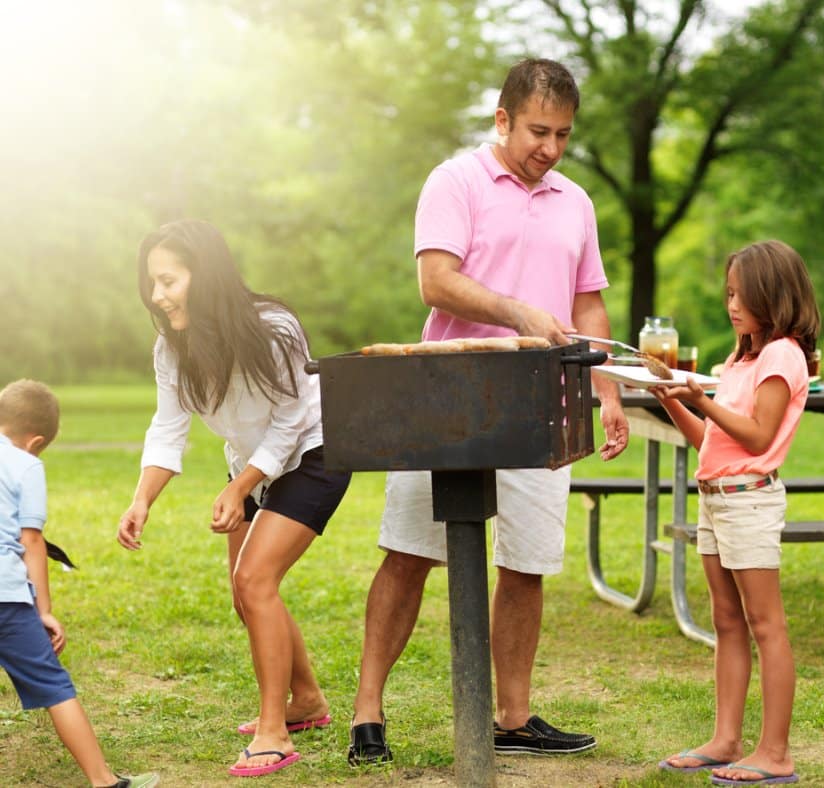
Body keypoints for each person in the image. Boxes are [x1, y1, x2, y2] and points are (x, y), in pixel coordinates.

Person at [348, 58, 629, 766]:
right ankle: (367, 714)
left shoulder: (576, 202)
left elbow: (588, 300)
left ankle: (512, 715)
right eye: (539, 131)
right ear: (502, 118)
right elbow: (435, 282)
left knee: (526, 562)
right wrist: (518, 313)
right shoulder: (456, 181)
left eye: (564, 135)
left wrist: (608, 390)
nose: (551, 148)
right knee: (411, 553)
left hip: (542, 404)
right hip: (448, 399)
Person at [116, 220, 351, 778]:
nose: (158, 295)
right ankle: (309, 702)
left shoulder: (274, 328)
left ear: (206, 274)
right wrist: (142, 498)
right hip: (249, 464)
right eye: (153, 283)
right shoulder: (172, 346)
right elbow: (168, 427)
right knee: (246, 593)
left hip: (314, 454)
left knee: (254, 581)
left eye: (168, 280)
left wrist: (241, 486)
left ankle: (274, 733)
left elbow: (292, 421)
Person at [653, 240, 819, 785]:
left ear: (774, 295)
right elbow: (712, 442)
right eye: (728, 293)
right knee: (726, 621)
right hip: (716, 499)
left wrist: (701, 397)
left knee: (765, 624)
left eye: (742, 295)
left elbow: (756, 437)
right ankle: (726, 740)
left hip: (750, 500)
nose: (732, 304)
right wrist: (673, 400)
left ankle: (776, 753)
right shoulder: (741, 358)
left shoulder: (783, 355)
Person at [0, 379, 160, 788]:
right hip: (6, 596)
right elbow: (31, 540)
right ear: (35, 441)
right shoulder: (26, 465)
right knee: (53, 684)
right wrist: (44, 610)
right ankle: (104, 780)